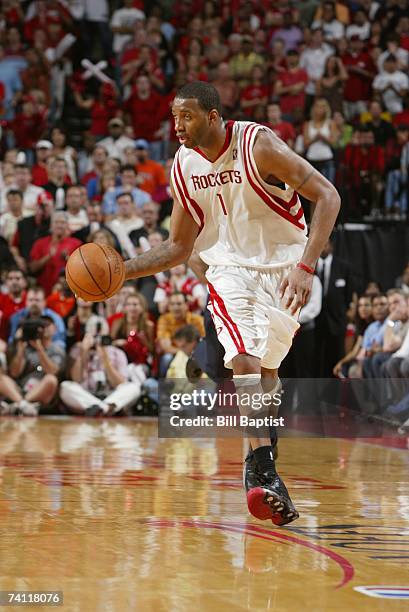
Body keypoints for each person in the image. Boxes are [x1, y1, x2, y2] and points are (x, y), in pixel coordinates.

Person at [121, 81, 340, 525]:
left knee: (269, 371)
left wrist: (306, 266)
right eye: (174, 117)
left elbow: (328, 196)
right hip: (228, 271)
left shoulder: (258, 146)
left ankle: (263, 454)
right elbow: (179, 247)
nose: (178, 126)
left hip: (285, 269)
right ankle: (263, 469)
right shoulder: (182, 166)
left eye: (187, 116)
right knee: (243, 357)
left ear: (214, 116)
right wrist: (121, 273)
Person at [3, 316, 64, 416]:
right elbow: (15, 373)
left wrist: (39, 349)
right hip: (21, 389)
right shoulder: (25, 347)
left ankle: (20, 404)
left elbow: (52, 371)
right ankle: (23, 404)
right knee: (2, 378)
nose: (43, 330)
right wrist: (20, 350)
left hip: (40, 392)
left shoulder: (56, 349)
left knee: (51, 380)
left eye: (46, 326)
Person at [29, 211, 82, 295]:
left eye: (63, 222)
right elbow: (32, 268)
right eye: (56, 222)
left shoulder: (76, 243)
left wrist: (68, 258)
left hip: (68, 293)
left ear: (67, 225)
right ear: (51, 225)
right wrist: (47, 257)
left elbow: (82, 270)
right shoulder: (40, 243)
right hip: (44, 292)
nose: (59, 225)